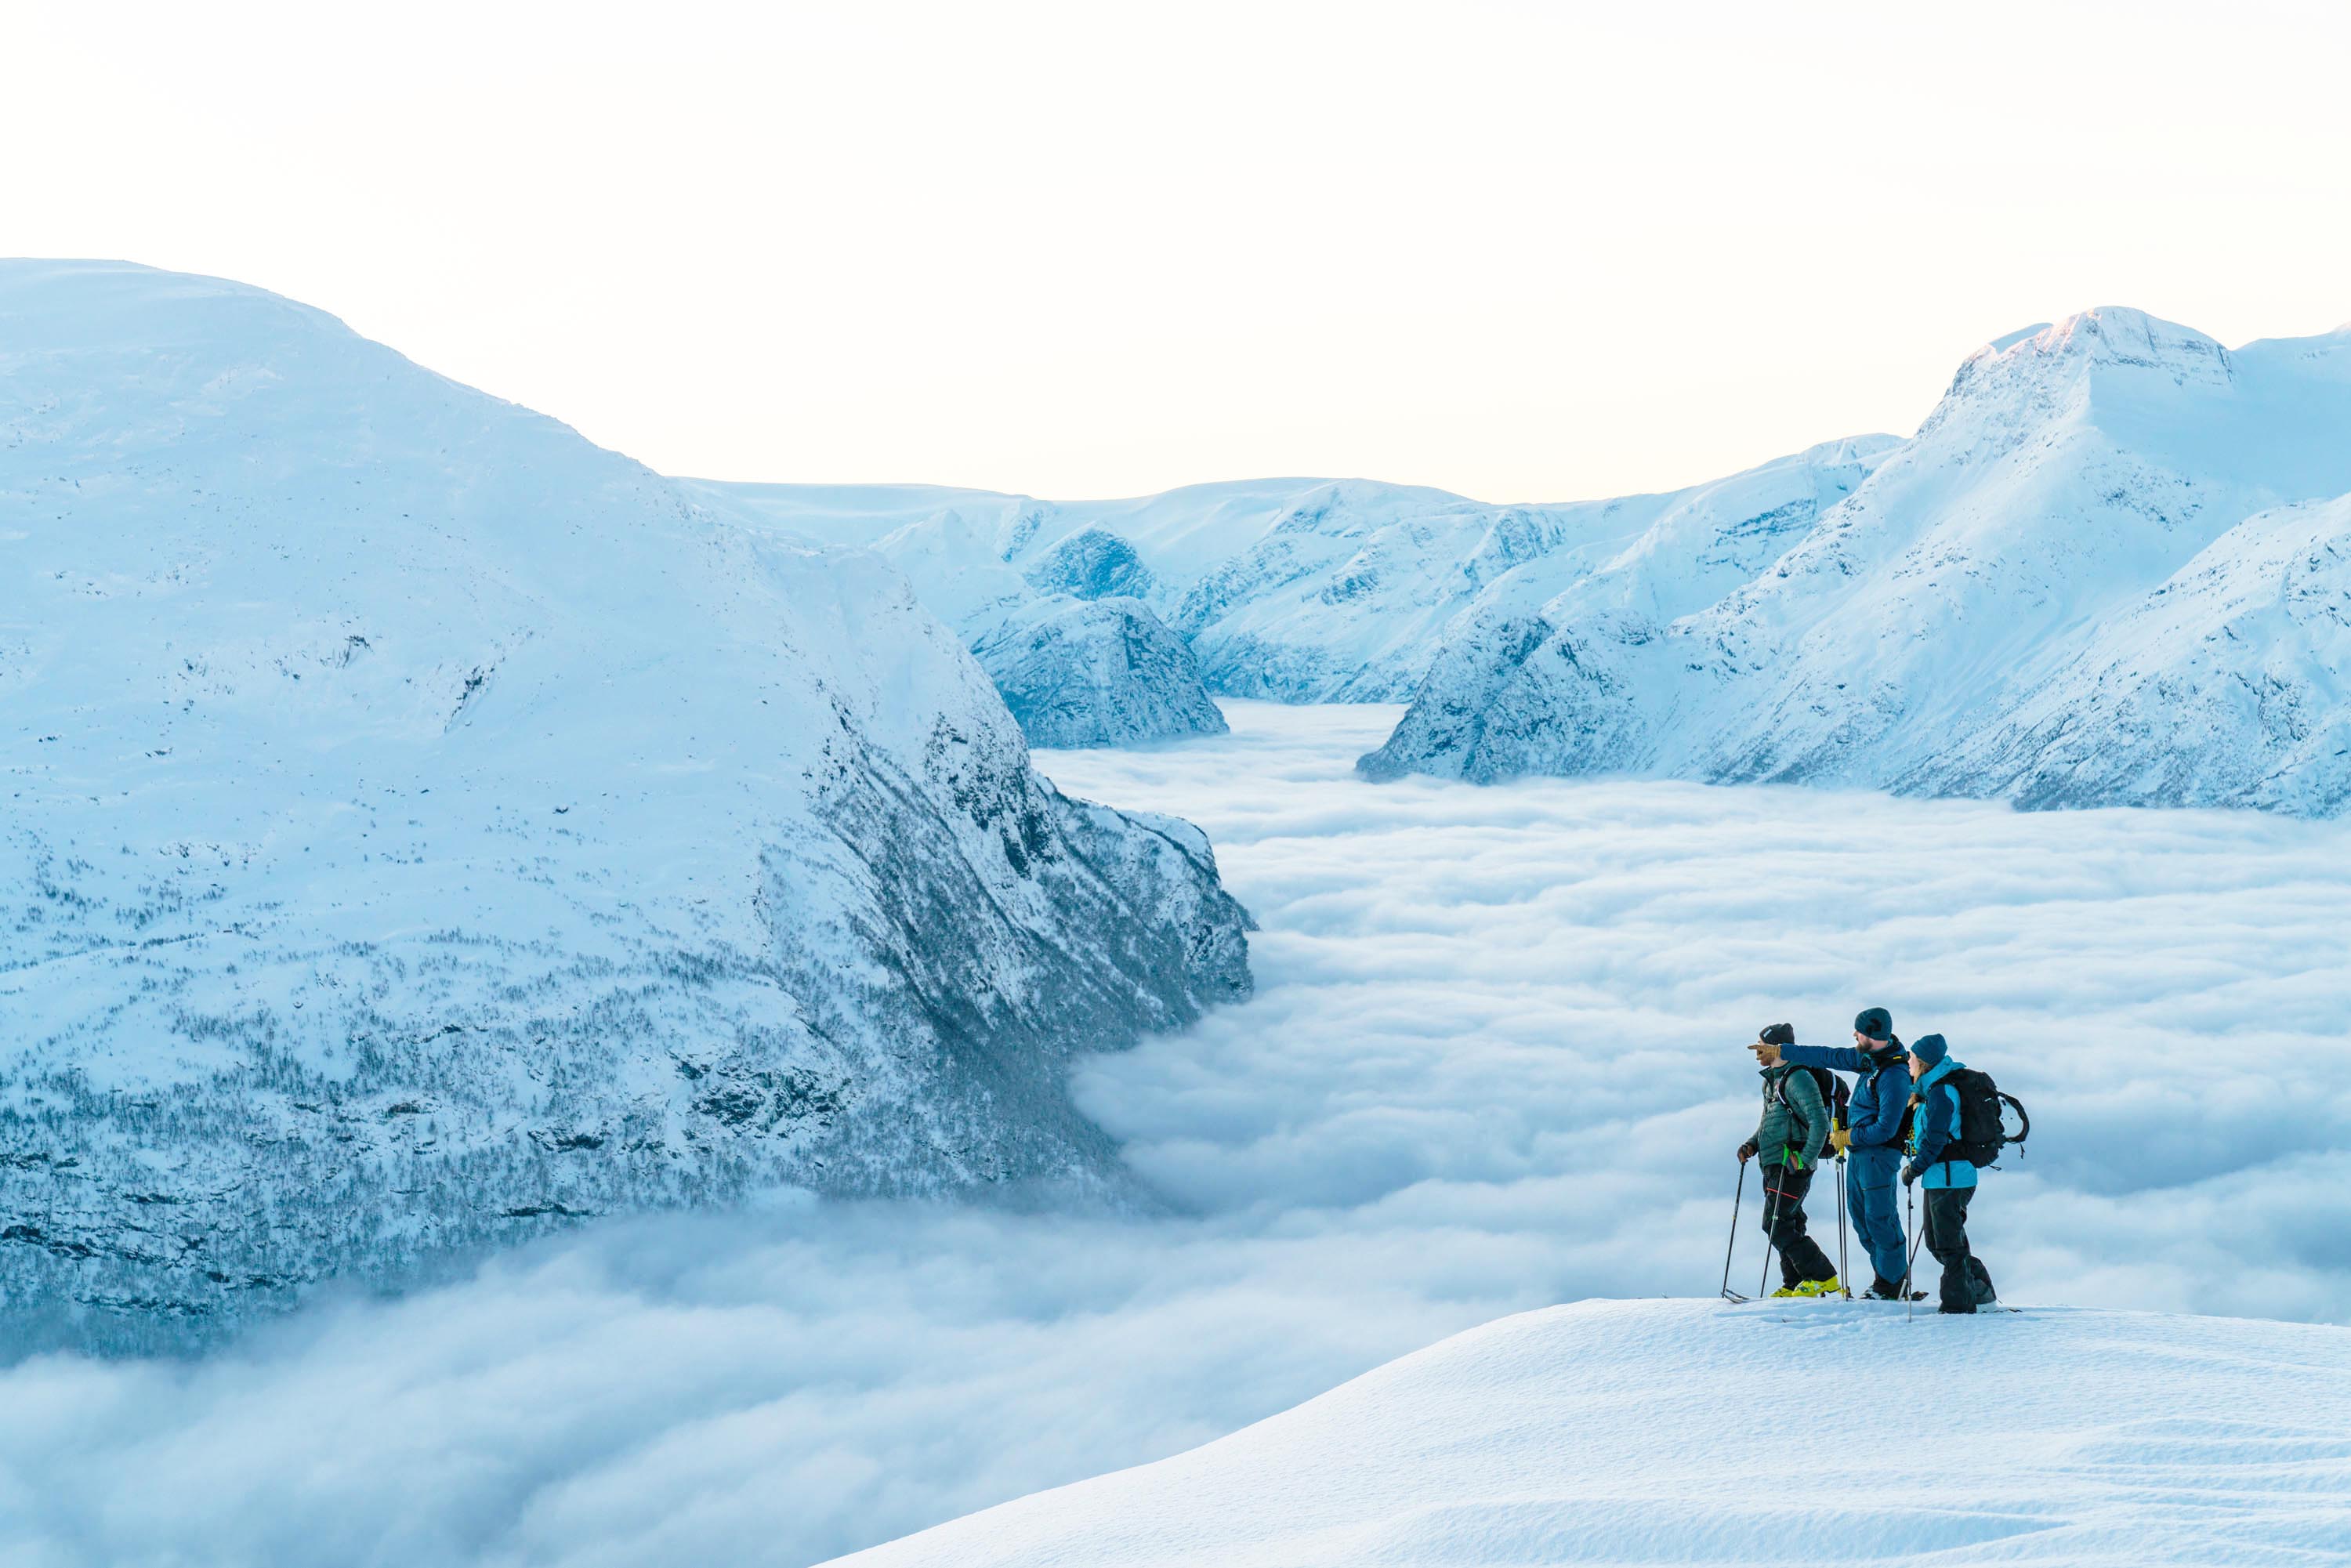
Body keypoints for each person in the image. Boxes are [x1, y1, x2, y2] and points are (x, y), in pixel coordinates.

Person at [1777, 1006, 1911, 1299]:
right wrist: (1782, 1050)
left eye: (1859, 1031)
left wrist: (1848, 1135)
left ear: (1872, 1035)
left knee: (1880, 1218)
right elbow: (1829, 1056)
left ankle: (1892, 1284)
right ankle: (1884, 1280)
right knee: (1862, 1218)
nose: (1854, 1034)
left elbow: (1887, 1128)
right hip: (1860, 1153)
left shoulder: (1893, 1074)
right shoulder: (1870, 1060)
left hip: (1878, 1154)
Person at [1737, 1023, 1838, 1298]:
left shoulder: (1798, 1078)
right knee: (1790, 1222)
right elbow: (1769, 1121)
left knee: (1775, 1223)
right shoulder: (1772, 1080)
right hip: (1774, 1162)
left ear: (1776, 1047)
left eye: (1761, 1045)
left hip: (1791, 1162)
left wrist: (1805, 1159)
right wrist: (1752, 1144)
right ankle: (1794, 1283)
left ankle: (1823, 1277)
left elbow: (1819, 1121)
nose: (1757, 1050)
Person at [1903, 1034, 1998, 1314]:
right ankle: (1980, 1292)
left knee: (1948, 1244)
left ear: (1923, 1063)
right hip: (1942, 1176)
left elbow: (1935, 1141)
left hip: (1950, 1176)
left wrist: (1914, 1169)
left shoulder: (1942, 1093)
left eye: (1911, 1058)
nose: (1908, 1063)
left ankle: (1958, 1307)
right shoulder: (1932, 1090)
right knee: (1938, 1242)